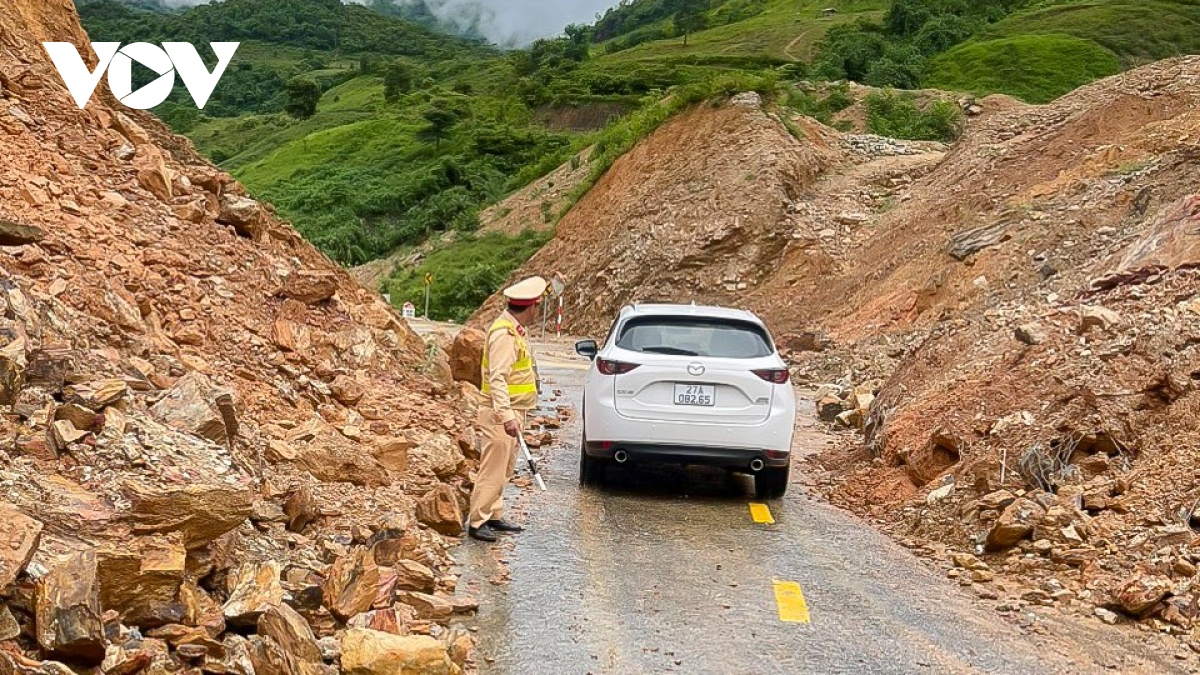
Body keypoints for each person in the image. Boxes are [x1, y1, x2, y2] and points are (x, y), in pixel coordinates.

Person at [468, 276, 548, 543]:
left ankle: (493, 514)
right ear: (531, 307)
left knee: (504, 467)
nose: (537, 312)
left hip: (514, 412)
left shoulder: (514, 330)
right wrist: (506, 416)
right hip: (499, 414)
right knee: (493, 468)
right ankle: (478, 521)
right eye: (537, 306)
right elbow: (497, 379)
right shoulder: (504, 335)